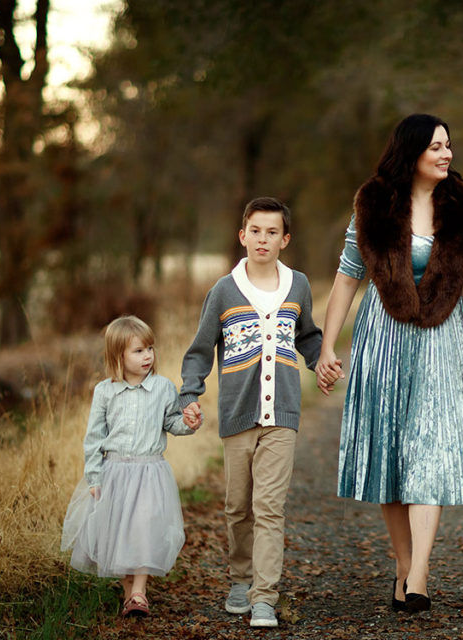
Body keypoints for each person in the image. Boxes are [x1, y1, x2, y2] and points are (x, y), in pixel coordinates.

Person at [316, 113, 463, 614]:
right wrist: (329, 345)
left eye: (449, 145)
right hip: (383, 339)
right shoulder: (374, 202)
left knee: (431, 452)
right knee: (390, 453)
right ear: (412, 151)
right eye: (437, 146)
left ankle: (419, 575)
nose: (447, 154)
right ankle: (402, 565)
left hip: (441, 340)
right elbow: (347, 277)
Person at [178, 197, 324, 628]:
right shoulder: (223, 291)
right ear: (243, 236)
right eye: (255, 231)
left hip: (283, 414)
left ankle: (264, 596)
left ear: (285, 239)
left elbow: (308, 336)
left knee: (269, 506)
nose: (263, 239)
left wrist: (323, 362)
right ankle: (240, 579)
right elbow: (200, 351)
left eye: (272, 232)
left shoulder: (297, 286)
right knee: (238, 506)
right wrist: (190, 393)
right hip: (238, 415)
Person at [60, 315, 200, 618]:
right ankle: (130, 595)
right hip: (114, 473)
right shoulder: (105, 392)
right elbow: (94, 437)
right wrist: (94, 476)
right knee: (119, 533)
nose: (147, 355)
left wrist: (188, 423)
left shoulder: (163, 388)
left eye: (150, 348)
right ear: (118, 356)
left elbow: (172, 423)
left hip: (149, 472)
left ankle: (140, 591)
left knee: (143, 529)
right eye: (138, 351)